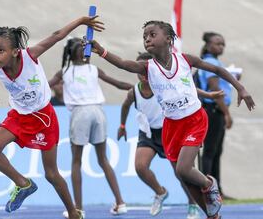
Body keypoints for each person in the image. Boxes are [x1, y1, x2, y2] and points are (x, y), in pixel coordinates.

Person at [90, 21, 255, 219]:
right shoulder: (147, 67)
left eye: (152, 34)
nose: (147, 39)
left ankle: (209, 184)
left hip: (194, 119)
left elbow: (217, 70)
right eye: (144, 37)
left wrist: (240, 88)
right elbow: (124, 64)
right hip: (171, 125)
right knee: (182, 175)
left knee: (184, 169)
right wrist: (101, 51)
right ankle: (211, 215)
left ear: (168, 39)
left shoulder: (185, 60)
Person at [0, 16, 104, 219]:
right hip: (18, 115)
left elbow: (56, 36)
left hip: (44, 118)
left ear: (15, 52)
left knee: (51, 174)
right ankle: (23, 183)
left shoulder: (30, 56)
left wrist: (81, 21)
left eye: (0, 51)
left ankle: (73, 212)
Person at [118, 52, 225, 219]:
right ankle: (160, 192)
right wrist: (122, 125)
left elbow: (188, 87)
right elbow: (125, 106)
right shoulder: (134, 92)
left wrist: (208, 95)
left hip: (172, 130)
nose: (143, 75)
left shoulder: (161, 81)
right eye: (140, 72)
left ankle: (193, 205)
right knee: (140, 166)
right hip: (149, 133)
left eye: (145, 71)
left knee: (182, 173)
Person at [49, 37, 132, 218]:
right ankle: (120, 202)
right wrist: (137, 88)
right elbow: (118, 84)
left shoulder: (65, 72)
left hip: (80, 114)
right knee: (103, 159)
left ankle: (78, 208)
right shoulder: (93, 69)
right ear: (84, 51)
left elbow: (45, 87)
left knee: (76, 162)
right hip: (98, 112)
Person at [198, 32, 239, 200]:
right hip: (213, 111)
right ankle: (208, 190)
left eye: (222, 44)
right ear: (208, 45)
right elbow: (215, 90)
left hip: (217, 111)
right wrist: (227, 113)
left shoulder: (215, 62)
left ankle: (217, 190)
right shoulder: (210, 63)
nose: (220, 47)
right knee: (209, 152)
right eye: (217, 43)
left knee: (215, 152)